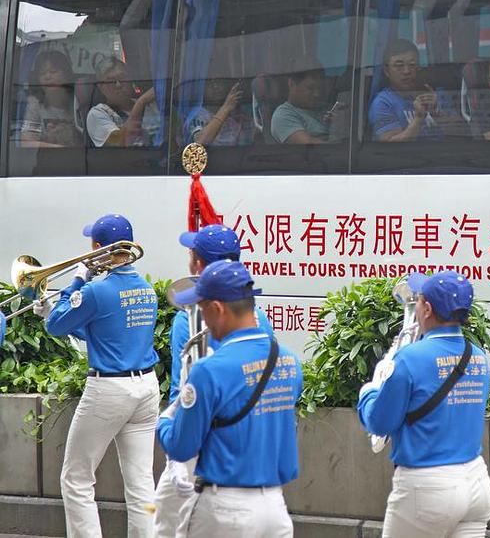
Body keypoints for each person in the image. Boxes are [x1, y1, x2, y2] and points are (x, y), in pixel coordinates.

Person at [157, 260, 301, 537]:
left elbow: (181, 446)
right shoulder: (289, 362)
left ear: (218, 308)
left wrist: (164, 420)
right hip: (275, 509)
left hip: (224, 510)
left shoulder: (208, 370)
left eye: (202, 310)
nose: (203, 320)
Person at [41, 214, 159, 537]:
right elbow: (103, 331)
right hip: (146, 388)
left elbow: (56, 326)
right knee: (141, 484)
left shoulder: (96, 290)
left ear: (97, 248)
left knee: (76, 479)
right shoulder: (147, 290)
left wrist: (76, 281)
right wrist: (57, 310)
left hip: (109, 390)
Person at [358, 270, 490, 537]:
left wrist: (369, 392)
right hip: (476, 482)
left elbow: (379, 422)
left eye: (418, 300)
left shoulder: (410, 358)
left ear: (428, 309)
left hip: (427, 485)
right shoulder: (478, 356)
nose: (416, 306)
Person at [368, 38, 460, 141]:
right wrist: (419, 117)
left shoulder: (433, 94)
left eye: (412, 65)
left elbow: (461, 133)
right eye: (399, 66)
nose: (406, 71)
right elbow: (391, 146)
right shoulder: (383, 103)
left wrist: (436, 113)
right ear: (387, 71)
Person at [87, 58, 161, 147]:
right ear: (101, 87)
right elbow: (117, 143)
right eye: (111, 81)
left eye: (122, 79)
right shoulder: (98, 114)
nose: (118, 85)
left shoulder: (151, 106)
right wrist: (141, 103)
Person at [19, 50, 84, 147]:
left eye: (53, 72)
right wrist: (58, 148)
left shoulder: (78, 99)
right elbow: (26, 141)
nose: (48, 77)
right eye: (42, 73)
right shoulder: (35, 103)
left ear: (66, 75)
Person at [270, 56, 341, 144]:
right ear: (292, 84)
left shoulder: (325, 109)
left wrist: (339, 124)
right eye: (310, 88)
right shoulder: (283, 115)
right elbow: (310, 146)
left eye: (319, 88)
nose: (317, 94)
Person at [185, 78, 255, 146]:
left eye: (219, 82)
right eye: (211, 82)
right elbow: (200, 142)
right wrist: (225, 108)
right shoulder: (198, 114)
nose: (215, 87)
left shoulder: (239, 116)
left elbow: (246, 147)